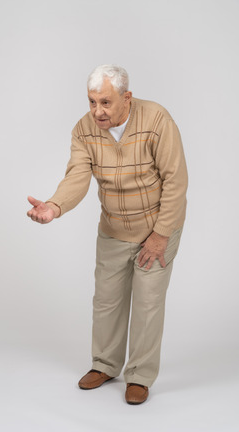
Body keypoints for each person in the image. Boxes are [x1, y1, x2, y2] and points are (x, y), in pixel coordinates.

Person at [27, 64, 188, 405]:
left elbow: (176, 181)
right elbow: (77, 177)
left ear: (126, 98)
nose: (97, 111)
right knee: (106, 302)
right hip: (114, 228)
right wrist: (54, 207)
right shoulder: (84, 130)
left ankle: (140, 376)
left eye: (105, 102)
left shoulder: (157, 119)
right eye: (91, 102)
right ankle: (105, 365)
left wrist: (161, 235)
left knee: (147, 304)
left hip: (157, 228)